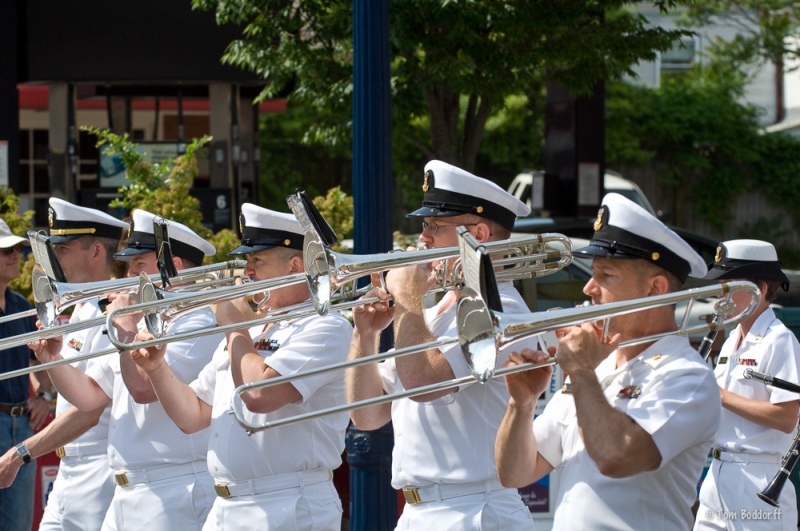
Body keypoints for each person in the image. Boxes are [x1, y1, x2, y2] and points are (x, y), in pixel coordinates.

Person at [494, 192, 722, 530]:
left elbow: (617, 457)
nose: (589, 287)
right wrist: (521, 404)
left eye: (606, 275)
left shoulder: (686, 375)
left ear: (655, 288)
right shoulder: (597, 367)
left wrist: (582, 371)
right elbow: (515, 473)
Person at [129, 204, 353, 531]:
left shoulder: (325, 327)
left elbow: (259, 394)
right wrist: (156, 368)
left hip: (288, 504)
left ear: (294, 266)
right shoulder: (253, 331)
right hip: (227, 507)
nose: (246, 272)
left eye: (257, 260)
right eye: (247, 260)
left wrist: (235, 328)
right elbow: (193, 416)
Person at [346, 160, 536, 529]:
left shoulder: (501, 309)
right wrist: (364, 335)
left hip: (474, 509)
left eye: (435, 226)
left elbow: (423, 383)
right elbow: (366, 416)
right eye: (424, 226)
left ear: (478, 233)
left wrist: (406, 296)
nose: (423, 239)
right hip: (421, 511)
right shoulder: (433, 315)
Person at [30, 209, 223, 530]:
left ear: (172, 267)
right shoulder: (148, 323)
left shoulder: (198, 323)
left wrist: (124, 332)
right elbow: (91, 396)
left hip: (173, 487)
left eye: (139, 264)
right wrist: (52, 359)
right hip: (131, 488)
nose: (128, 273)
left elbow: (144, 389)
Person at [2, 198, 129, 531]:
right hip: (70, 469)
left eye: (63, 249)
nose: (54, 258)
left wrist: (21, 452)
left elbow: (90, 407)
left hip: (98, 470)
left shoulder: (110, 313)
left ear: (97, 252)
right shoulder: (81, 309)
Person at [694, 239, 800, 530]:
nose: (720, 295)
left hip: (757, 477)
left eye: (729, 286)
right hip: (717, 474)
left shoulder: (779, 340)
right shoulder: (731, 339)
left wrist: (718, 395)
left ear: (761, 290)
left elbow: (786, 417)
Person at [0, 218, 53, 531]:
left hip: (22, 427)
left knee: (19, 525)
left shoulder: (22, 305)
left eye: (18, 248)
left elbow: (40, 361)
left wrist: (45, 396)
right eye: (5, 249)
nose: (15, 254)